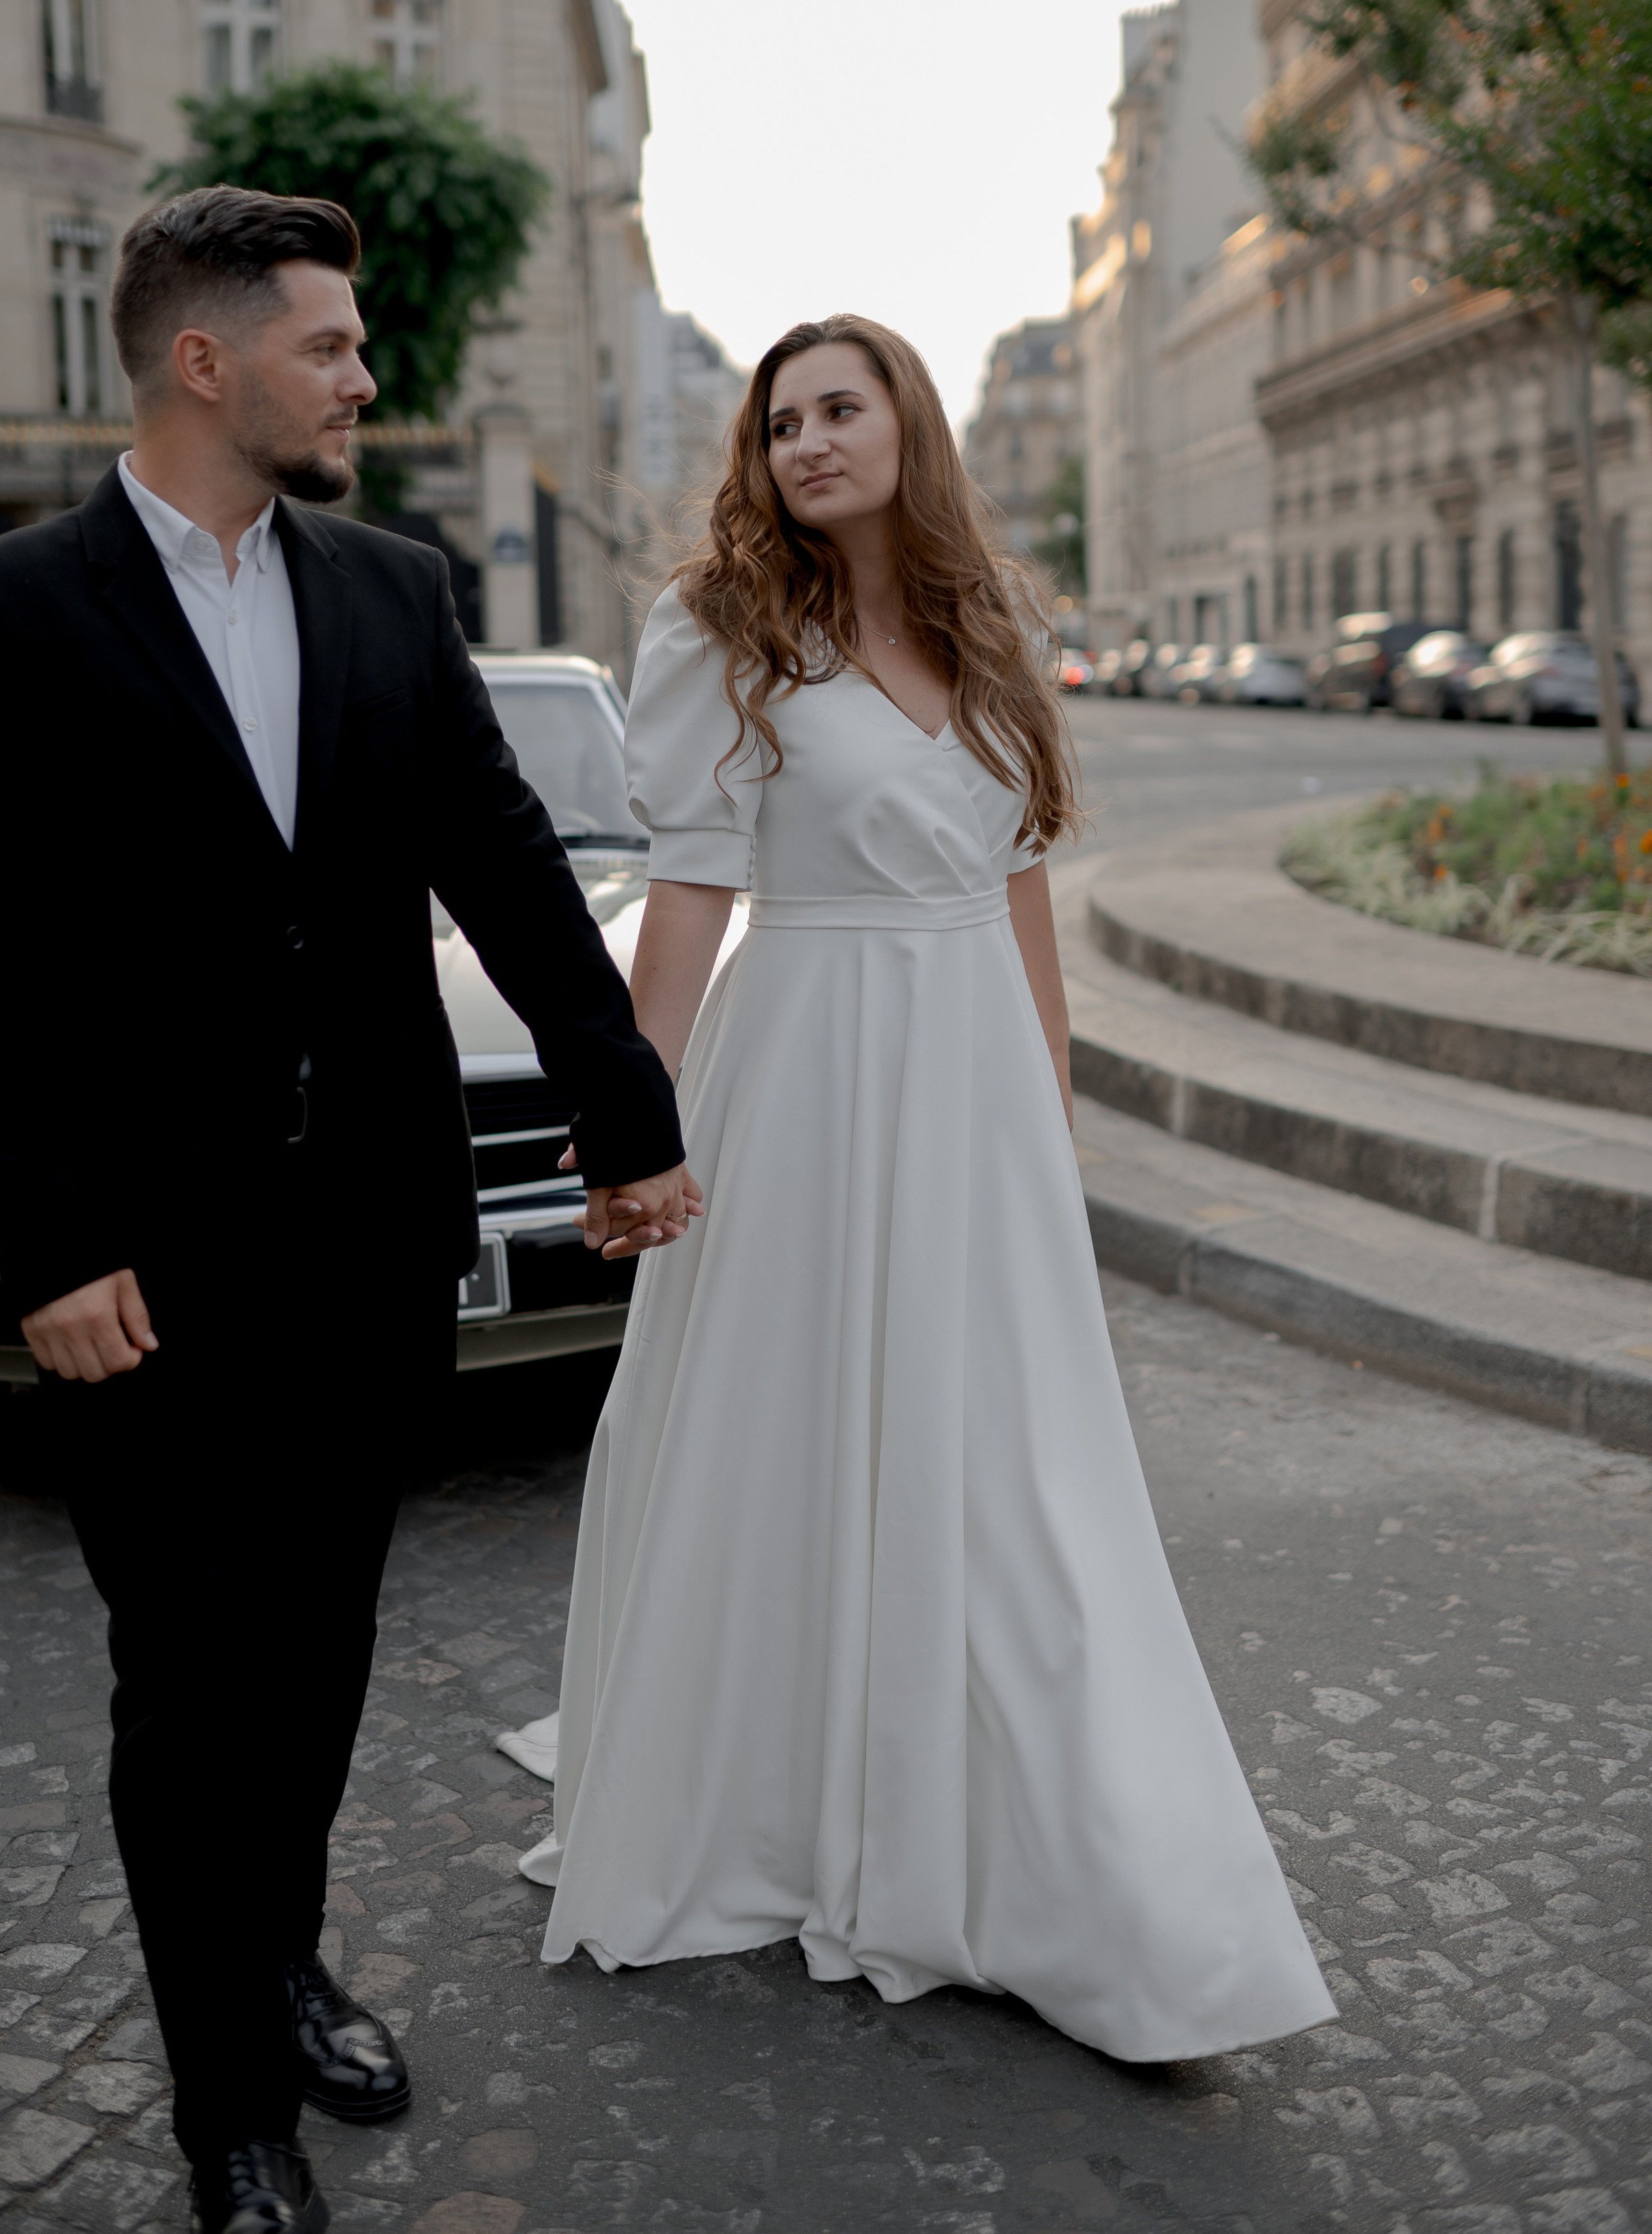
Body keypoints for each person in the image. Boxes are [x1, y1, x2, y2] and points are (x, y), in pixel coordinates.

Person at [0, 187, 697, 2234]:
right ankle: (222, 2110)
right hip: (143, 1273)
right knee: (189, 1682)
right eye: (332, 347)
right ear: (205, 360)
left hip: (368, 1240)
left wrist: (624, 1101)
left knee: (324, 1647)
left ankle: (282, 1956)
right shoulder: (6, 612)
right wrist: (55, 1246)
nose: (366, 378)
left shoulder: (391, 586)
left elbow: (508, 863)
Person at [519, 313, 1337, 2061]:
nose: (808, 440)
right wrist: (631, 1130)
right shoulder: (717, 627)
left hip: (969, 1073)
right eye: (782, 419)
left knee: (1011, 1458)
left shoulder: (992, 618)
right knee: (786, 1420)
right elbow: (686, 890)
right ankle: (784, 1773)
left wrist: (1044, 1089)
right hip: (805, 1065)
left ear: (908, 422)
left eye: (840, 407)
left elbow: (1022, 874)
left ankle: (1057, 1821)